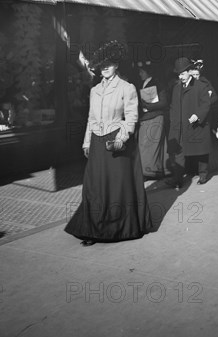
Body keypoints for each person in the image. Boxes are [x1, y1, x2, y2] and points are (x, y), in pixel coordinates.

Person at [64, 41, 152, 246]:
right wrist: (87, 142)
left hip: (117, 141)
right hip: (96, 141)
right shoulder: (94, 90)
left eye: (109, 64)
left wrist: (121, 139)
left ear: (116, 65)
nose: (105, 67)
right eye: (102, 64)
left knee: (115, 186)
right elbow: (91, 118)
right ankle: (92, 228)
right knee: (94, 186)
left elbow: (131, 118)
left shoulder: (127, 88)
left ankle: (117, 227)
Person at [167, 57, 212, 187]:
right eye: (179, 74)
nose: (180, 77)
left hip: (195, 124)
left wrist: (197, 116)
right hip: (179, 126)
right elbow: (172, 106)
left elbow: (206, 105)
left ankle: (203, 174)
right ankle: (178, 179)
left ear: (189, 72)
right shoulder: (176, 88)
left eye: (182, 73)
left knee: (200, 151)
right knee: (178, 152)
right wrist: (173, 119)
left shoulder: (201, 86)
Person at [135, 61, 168, 179]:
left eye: (142, 72)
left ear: (148, 72)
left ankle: (150, 171)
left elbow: (163, 102)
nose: (140, 74)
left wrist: (147, 106)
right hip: (147, 117)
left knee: (149, 144)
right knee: (150, 144)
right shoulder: (142, 83)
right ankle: (156, 169)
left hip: (155, 116)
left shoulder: (158, 83)